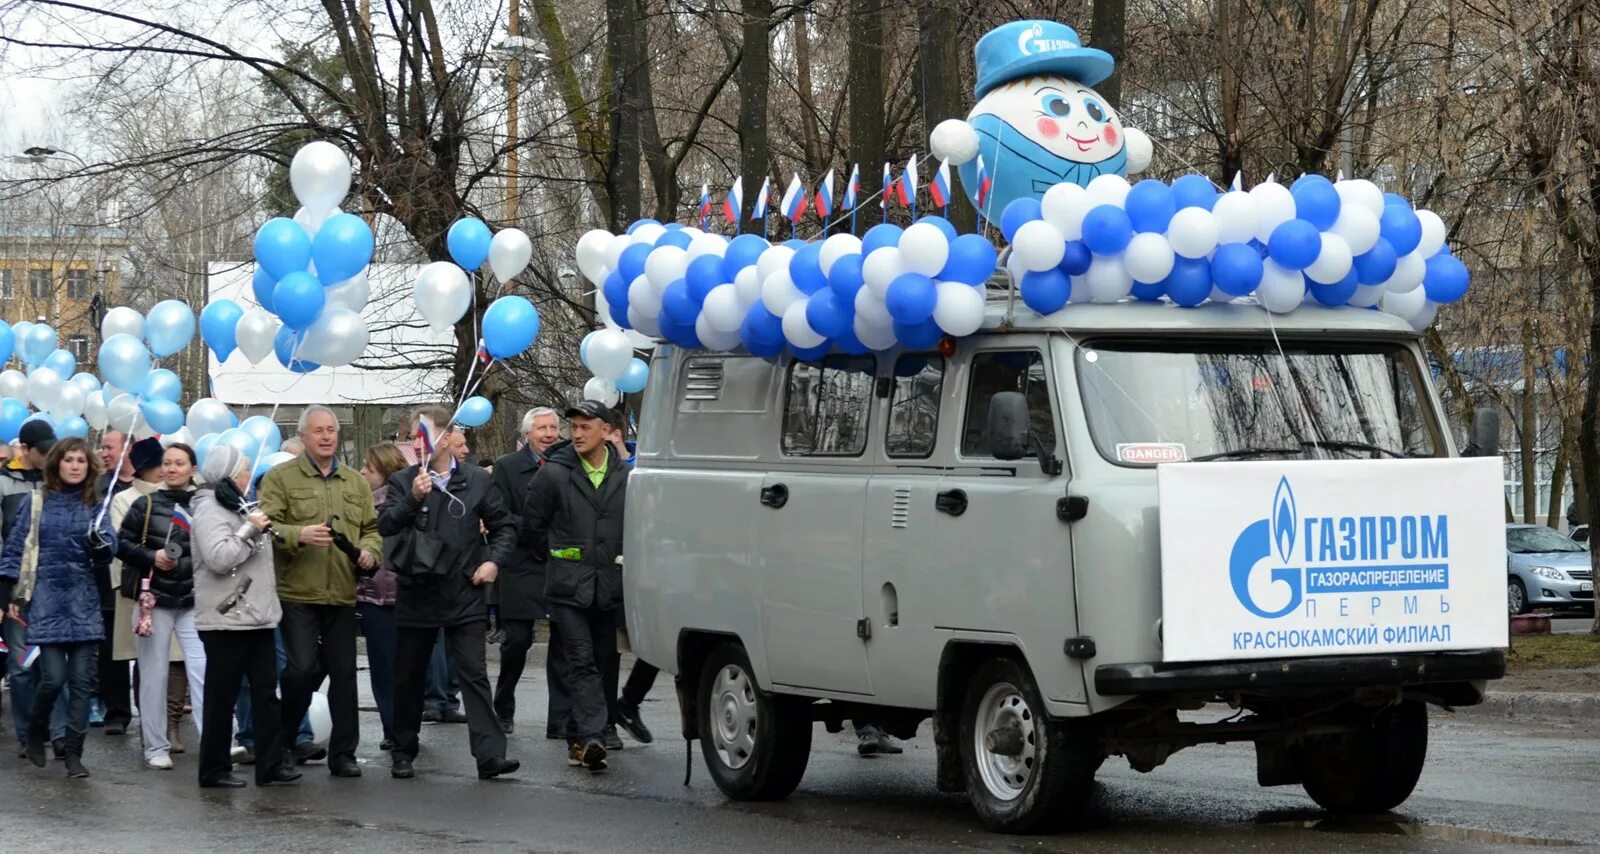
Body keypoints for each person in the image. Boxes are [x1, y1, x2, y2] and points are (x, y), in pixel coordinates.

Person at [378, 405, 518, 780]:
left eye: (422, 435)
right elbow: (386, 525)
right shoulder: (403, 481)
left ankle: (490, 756)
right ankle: (403, 750)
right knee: (408, 677)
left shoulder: (476, 480)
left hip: (463, 592)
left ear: (444, 438)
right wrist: (412, 498)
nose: (416, 443)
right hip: (417, 592)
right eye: (413, 436)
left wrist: (494, 562)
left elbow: (504, 527)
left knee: (473, 674)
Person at [257, 405, 380, 778]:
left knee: (344, 675)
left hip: (342, 591)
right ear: (303, 436)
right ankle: (285, 741)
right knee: (301, 670)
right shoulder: (281, 478)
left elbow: (372, 529)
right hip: (298, 592)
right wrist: (299, 534)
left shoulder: (355, 482)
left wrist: (370, 552)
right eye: (319, 431)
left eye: (332, 430)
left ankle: (343, 755)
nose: (327, 437)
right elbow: (266, 526)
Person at [521, 400, 629, 772]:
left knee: (602, 660)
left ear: (606, 431)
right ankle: (595, 736)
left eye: (586, 427)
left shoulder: (625, 474)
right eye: (574, 427)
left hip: (609, 585)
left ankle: (577, 738)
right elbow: (532, 528)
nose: (577, 434)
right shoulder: (554, 473)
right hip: (567, 588)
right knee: (581, 661)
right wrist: (561, 557)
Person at [0, 437, 116, 778]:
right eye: (69, 460)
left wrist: (101, 545)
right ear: (57, 464)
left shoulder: (96, 503)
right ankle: (37, 728)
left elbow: (110, 545)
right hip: (46, 600)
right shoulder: (36, 501)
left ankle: (74, 752)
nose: (75, 466)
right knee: (52, 678)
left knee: (81, 682)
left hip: (83, 601)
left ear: (89, 466)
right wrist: (7, 596)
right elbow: (15, 549)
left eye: (81, 460)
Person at [190, 445, 302, 788]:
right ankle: (214, 769)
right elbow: (219, 558)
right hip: (226, 618)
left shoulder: (241, 505)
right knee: (222, 697)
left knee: (267, 694)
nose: (248, 476)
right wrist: (250, 530)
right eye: (243, 469)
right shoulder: (209, 508)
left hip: (258, 616)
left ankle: (270, 764)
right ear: (227, 473)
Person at [117, 443, 205, 770]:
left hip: (195, 600)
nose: (172, 469)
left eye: (179, 463)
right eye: (167, 463)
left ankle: (216, 741)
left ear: (193, 469)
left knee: (204, 671)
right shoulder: (145, 504)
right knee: (154, 674)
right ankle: (155, 746)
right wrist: (151, 556)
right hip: (155, 601)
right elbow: (121, 544)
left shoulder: (205, 503)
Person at [491, 406, 569, 738]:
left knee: (563, 645)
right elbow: (499, 516)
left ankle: (560, 720)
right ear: (527, 435)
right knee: (517, 642)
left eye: (553, 427)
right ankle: (503, 707)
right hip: (521, 565)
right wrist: (537, 529)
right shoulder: (507, 467)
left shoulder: (568, 464)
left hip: (559, 564)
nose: (549, 434)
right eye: (542, 428)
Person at [1, 422, 68, 758]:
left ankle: (60, 733)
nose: (48, 456)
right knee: (22, 665)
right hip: (16, 587)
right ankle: (29, 734)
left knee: (56, 664)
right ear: (25, 450)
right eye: (43, 451)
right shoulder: (3, 483)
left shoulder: (58, 481)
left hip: (53, 585)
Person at [600, 422, 654, 749]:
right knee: (609, 652)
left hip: (645, 568)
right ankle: (606, 721)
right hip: (610, 570)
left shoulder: (638, 468)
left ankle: (628, 703)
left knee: (657, 645)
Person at [356, 443, 408, 750]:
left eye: (369, 467)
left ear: (386, 472)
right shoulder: (360, 503)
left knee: (402, 667)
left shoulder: (406, 502)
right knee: (383, 667)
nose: (362, 471)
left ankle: (402, 728)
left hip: (404, 595)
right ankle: (393, 729)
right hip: (373, 596)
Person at [90, 429, 137, 735]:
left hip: (146, 575)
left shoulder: (148, 482)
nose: (104, 453)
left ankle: (158, 712)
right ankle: (116, 712)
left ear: (128, 448)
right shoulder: (97, 486)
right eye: (103, 448)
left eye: (109, 447)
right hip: (106, 578)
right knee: (111, 648)